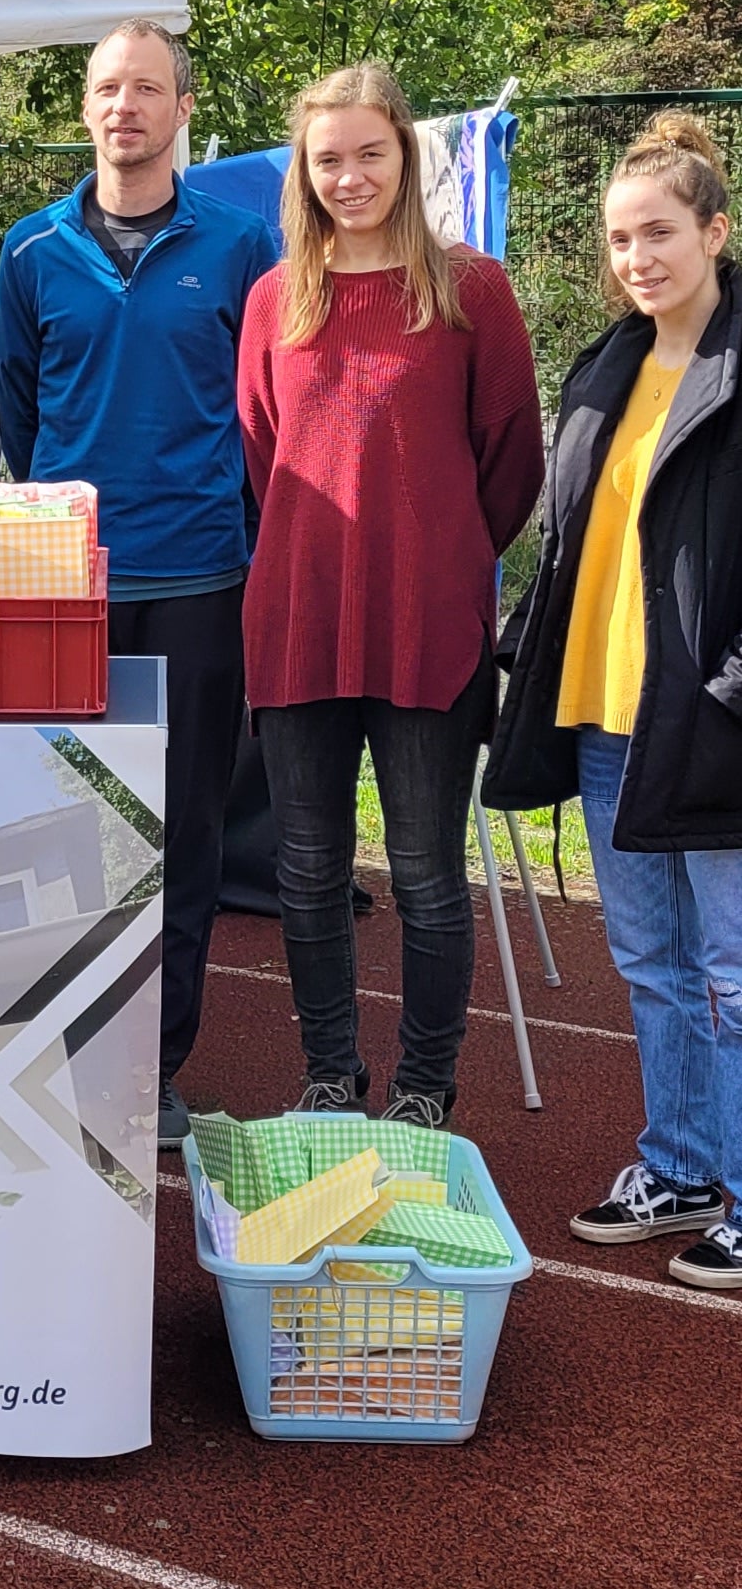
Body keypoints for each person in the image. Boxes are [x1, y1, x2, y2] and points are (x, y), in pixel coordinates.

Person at [238, 58, 544, 1127]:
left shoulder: (470, 290)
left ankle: (423, 1086)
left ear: (405, 157)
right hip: (299, 620)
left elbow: (512, 461)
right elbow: (264, 452)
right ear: (303, 172)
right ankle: (330, 1074)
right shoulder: (275, 298)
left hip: (427, 625)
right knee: (307, 869)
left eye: (371, 153)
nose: (351, 176)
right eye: (329, 159)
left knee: (423, 873)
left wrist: (437, 552)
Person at [0, 20, 278, 1145]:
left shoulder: (244, 245)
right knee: (67, 827)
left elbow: (262, 413)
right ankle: (63, 1050)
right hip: (72, 585)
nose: (126, 106)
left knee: (185, 829)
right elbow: (20, 409)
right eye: (108, 87)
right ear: (85, 107)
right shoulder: (31, 250)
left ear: (181, 108)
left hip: (201, 578)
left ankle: (152, 1068)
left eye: (148, 88)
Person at [485, 113, 742, 1285]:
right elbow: (572, 541)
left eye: (659, 233)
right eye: (620, 239)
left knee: (732, 973)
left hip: (712, 721)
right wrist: (528, 652)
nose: (637, 257)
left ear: (714, 231)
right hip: (604, 714)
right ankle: (678, 1165)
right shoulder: (606, 365)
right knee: (648, 963)